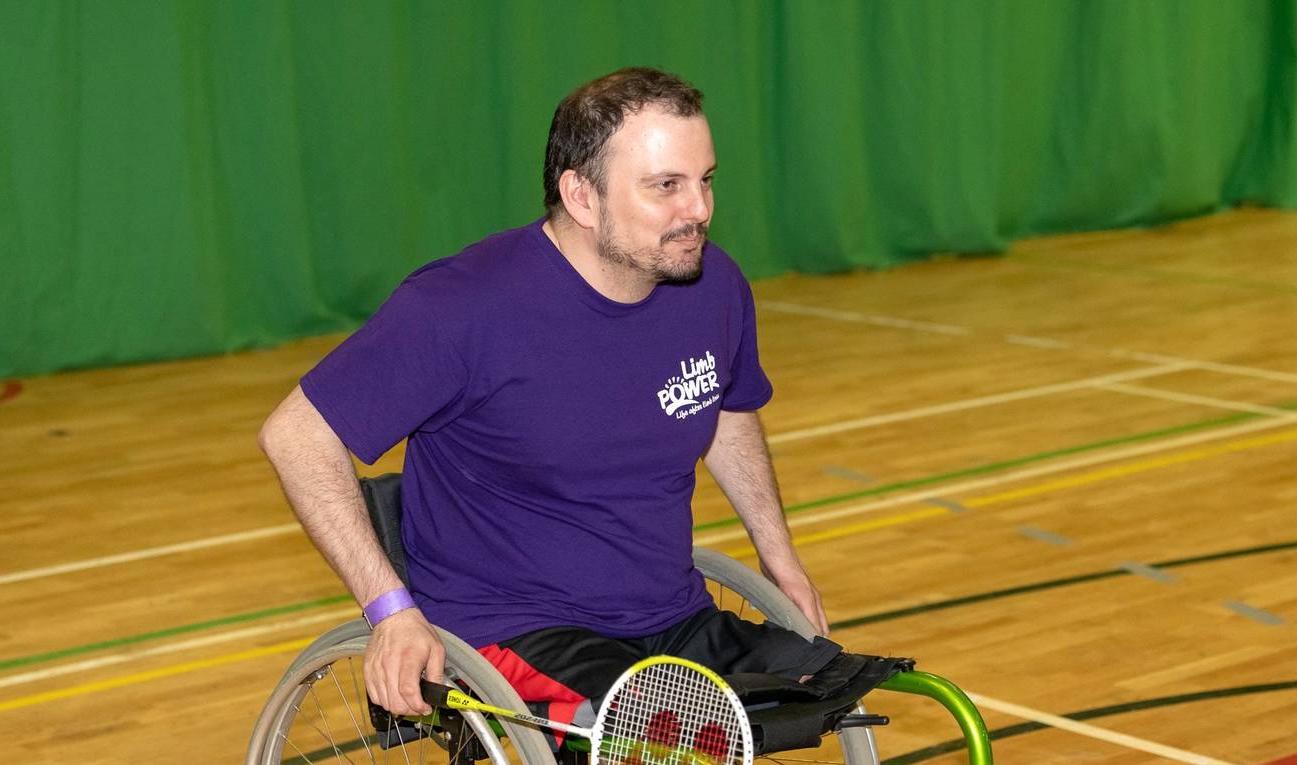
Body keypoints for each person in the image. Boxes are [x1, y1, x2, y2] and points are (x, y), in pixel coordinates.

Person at [259, 67, 867, 728]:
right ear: (581, 194)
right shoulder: (462, 307)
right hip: (514, 632)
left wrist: (780, 558)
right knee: (664, 733)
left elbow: (724, 411)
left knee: (844, 686)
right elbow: (296, 435)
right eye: (667, 186)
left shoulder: (712, 286)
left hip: (671, 622)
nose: (698, 209)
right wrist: (391, 610)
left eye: (705, 180)